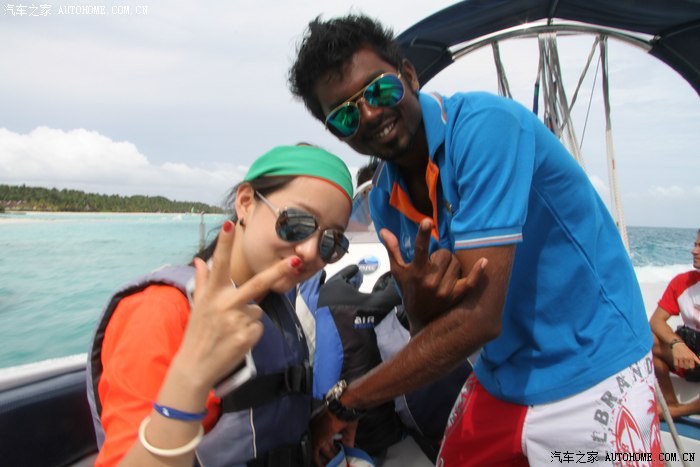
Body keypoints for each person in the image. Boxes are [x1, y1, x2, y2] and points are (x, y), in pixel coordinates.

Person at [289, 14, 661, 466]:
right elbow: (431, 334)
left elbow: (479, 320)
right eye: (346, 115)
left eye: (379, 90)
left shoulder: (487, 129)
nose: (369, 115)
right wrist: (419, 308)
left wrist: (346, 403)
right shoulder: (384, 198)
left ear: (409, 76)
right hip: (500, 375)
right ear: (337, 132)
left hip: (592, 365)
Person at [86, 144, 355, 466]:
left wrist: (324, 420)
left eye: (331, 241)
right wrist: (191, 377)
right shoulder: (159, 311)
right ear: (246, 203)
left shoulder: (275, 308)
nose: (310, 251)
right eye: (297, 222)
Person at [650, 229, 700, 418]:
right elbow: (656, 321)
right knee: (646, 339)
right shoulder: (682, 283)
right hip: (689, 354)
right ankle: (670, 402)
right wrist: (677, 344)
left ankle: (677, 411)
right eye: (695, 245)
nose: (694, 251)